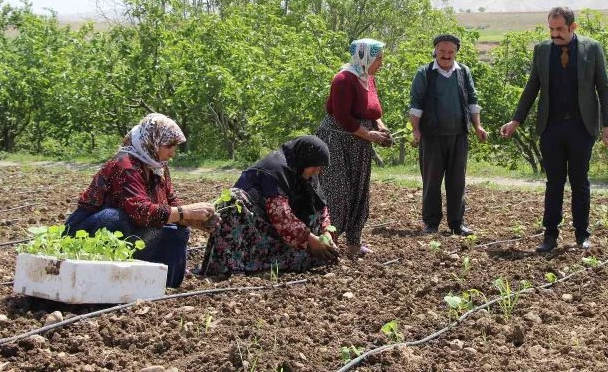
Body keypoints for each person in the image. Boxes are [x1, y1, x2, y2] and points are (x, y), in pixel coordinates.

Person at [500, 7, 608, 252]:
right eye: (551, 29)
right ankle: (550, 235)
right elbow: (532, 86)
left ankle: (581, 234)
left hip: (581, 127)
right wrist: (516, 120)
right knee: (554, 183)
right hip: (550, 126)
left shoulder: (592, 48)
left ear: (573, 27)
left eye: (560, 29)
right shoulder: (542, 50)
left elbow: (603, 88)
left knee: (579, 182)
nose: (555, 34)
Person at [65, 113, 218, 288]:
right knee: (114, 218)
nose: (172, 153)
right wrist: (186, 212)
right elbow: (140, 211)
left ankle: (162, 285)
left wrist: (194, 220)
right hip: (90, 231)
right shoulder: (124, 165)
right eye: (168, 146)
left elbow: (171, 204)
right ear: (151, 141)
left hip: (130, 232)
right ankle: (107, 282)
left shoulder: (158, 168)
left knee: (177, 231)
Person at [198, 136, 339, 276]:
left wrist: (327, 233)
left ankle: (291, 260)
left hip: (285, 234)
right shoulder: (276, 169)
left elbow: (322, 210)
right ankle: (232, 267)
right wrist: (310, 240)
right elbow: (281, 215)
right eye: (315, 166)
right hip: (256, 226)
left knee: (315, 220)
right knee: (234, 201)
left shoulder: (307, 175)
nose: (317, 171)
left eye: (320, 168)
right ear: (305, 159)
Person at [317, 38, 391, 259]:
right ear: (365, 57)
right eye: (378, 58)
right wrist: (369, 134)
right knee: (337, 192)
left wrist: (381, 128)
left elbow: (373, 111)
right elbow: (342, 117)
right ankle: (330, 243)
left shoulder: (367, 78)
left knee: (359, 192)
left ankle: (354, 244)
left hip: (360, 143)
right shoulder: (343, 79)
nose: (381, 63)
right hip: (337, 141)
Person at [409, 33, 488, 237]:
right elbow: (416, 104)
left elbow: (472, 100)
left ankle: (456, 223)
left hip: (459, 135)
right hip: (432, 136)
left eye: (450, 52)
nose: (446, 55)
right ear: (435, 50)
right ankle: (431, 223)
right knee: (431, 180)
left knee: (457, 181)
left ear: (456, 52)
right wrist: (416, 131)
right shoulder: (424, 73)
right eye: (442, 51)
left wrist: (478, 127)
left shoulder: (463, 72)